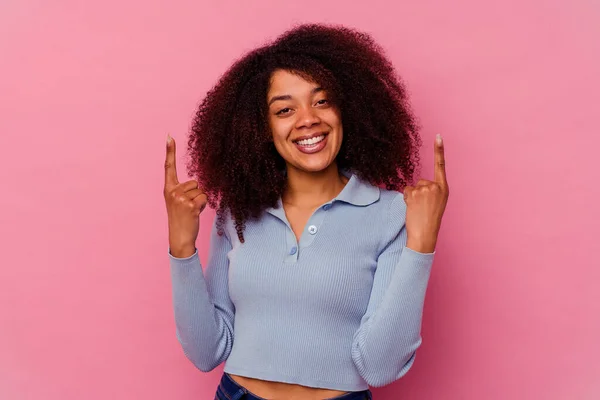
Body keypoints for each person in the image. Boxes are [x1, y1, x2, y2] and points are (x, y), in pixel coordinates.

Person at [164, 23, 449, 400]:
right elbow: (206, 353)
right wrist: (181, 247)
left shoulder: (393, 214)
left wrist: (422, 245)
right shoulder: (238, 212)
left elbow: (380, 366)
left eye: (322, 100)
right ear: (261, 128)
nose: (307, 119)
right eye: (285, 109)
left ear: (347, 108)